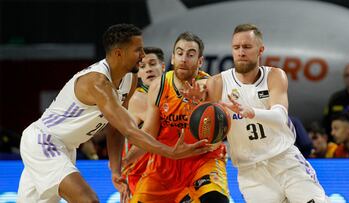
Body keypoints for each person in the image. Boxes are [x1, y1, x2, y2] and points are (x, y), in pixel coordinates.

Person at [17, 24, 210, 203]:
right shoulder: (97, 83)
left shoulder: (130, 77)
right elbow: (129, 130)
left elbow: (116, 128)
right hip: (44, 141)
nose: (143, 55)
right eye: (138, 50)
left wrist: (116, 170)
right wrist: (170, 152)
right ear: (119, 53)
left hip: (66, 147)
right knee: (89, 200)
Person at [199, 24, 328, 202]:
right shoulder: (218, 83)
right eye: (236, 47)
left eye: (247, 47)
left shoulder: (274, 76)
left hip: (285, 161)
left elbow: (281, 116)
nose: (241, 52)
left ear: (260, 50)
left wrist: (252, 112)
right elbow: (208, 130)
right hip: (251, 172)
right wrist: (194, 105)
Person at [128, 32, 229, 203]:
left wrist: (198, 104)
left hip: (202, 162)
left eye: (190, 55)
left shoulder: (210, 85)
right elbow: (149, 133)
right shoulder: (159, 86)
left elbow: (216, 139)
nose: (184, 59)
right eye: (180, 53)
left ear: (200, 61)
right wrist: (125, 161)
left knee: (215, 200)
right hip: (164, 166)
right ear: (173, 58)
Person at [123, 46, 165, 196]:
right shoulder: (138, 98)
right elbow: (165, 127)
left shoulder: (168, 94)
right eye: (142, 66)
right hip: (139, 173)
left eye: (153, 64)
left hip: (161, 172)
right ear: (138, 73)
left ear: (163, 67)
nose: (148, 69)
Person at [323, 63, 349, 135]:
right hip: (338, 142)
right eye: (347, 75)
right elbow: (326, 123)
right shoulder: (336, 98)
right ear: (344, 77)